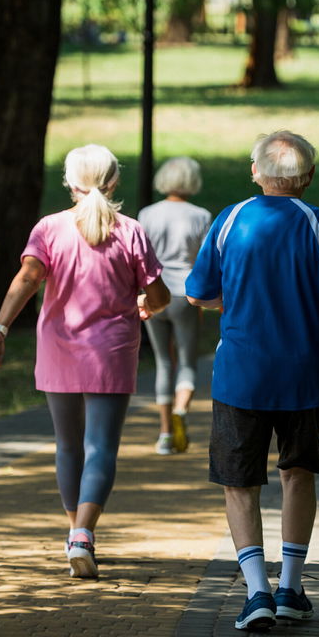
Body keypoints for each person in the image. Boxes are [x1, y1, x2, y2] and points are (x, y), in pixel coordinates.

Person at [186, 130, 319, 631]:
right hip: (306, 372)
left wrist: (229, 302)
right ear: (307, 177)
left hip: (240, 374)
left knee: (239, 483)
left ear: (254, 172)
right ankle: (291, 586)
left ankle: (257, 593)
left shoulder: (230, 220)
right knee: (298, 473)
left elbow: (199, 293)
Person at [0, 144, 169, 579]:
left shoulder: (49, 229)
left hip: (59, 350)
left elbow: (28, 277)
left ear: (70, 183)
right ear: (114, 181)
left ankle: (75, 534)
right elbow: (159, 295)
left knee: (68, 445)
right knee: (101, 447)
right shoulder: (130, 231)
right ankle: (82, 535)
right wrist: (148, 304)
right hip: (112, 353)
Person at [137, 157, 212, 455]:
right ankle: (182, 409)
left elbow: (139, 255)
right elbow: (206, 261)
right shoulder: (201, 215)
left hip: (155, 292)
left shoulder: (147, 214)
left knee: (163, 362)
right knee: (187, 360)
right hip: (186, 294)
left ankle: (165, 432)